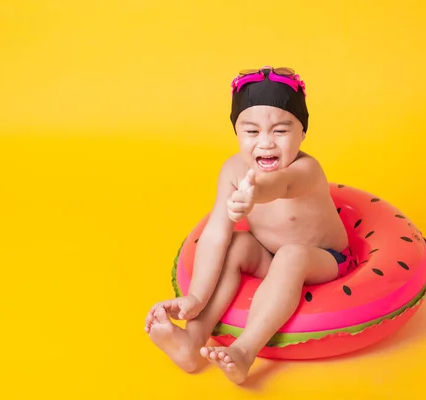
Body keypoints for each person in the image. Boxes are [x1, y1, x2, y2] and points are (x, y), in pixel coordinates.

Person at [144, 66, 351, 385]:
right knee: (236, 244)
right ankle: (191, 341)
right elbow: (214, 234)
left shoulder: (307, 170)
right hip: (270, 256)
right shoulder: (231, 171)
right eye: (252, 132)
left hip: (325, 260)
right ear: (237, 132)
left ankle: (244, 351)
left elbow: (281, 185)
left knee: (292, 255)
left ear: (303, 133)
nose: (266, 143)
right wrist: (195, 298)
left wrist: (255, 194)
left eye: (281, 131)